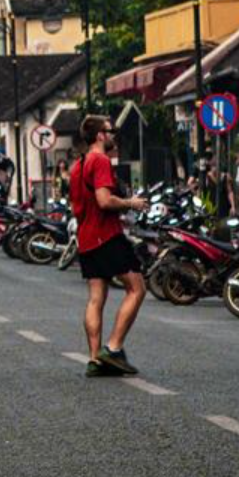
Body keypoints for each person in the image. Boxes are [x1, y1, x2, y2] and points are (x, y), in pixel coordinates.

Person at [69, 115, 148, 377]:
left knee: (96, 298)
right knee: (137, 288)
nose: (113, 134)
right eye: (110, 130)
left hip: (86, 237)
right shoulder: (100, 160)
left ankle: (95, 360)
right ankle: (113, 348)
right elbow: (104, 201)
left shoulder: (78, 165)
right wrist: (131, 203)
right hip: (106, 236)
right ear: (100, 135)